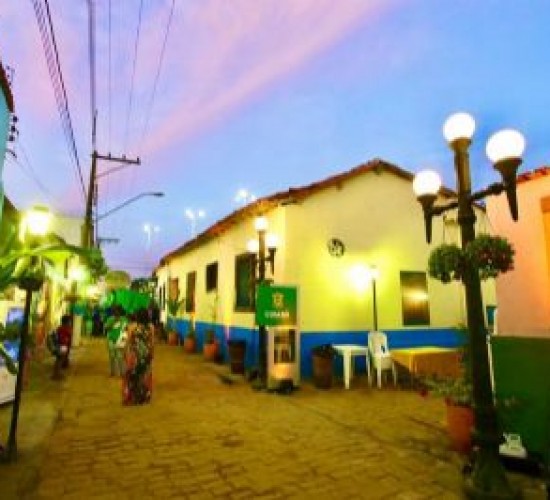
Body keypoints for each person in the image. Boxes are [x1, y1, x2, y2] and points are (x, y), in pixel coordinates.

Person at [122, 307, 153, 405]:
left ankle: (133, 397)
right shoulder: (151, 327)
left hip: (135, 354)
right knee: (144, 375)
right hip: (146, 354)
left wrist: (125, 352)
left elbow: (128, 341)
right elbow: (152, 343)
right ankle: (144, 397)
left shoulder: (133, 327)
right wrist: (152, 354)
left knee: (133, 375)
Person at [104, 306, 127, 377]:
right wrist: (113, 322)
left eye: (117, 312)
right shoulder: (110, 319)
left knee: (120, 357)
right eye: (115, 312)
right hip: (111, 339)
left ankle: (122, 372)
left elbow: (126, 329)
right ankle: (112, 372)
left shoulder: (124, 319)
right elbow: (106, 328)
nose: (116, 313)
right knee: (112, 356)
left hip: (120, 341)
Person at [52, 314, 72, 379]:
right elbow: (63, 338)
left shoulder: (62, 328)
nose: (70, 323)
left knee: (60, 359)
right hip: (62, 346)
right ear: (66, 322)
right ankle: (56, 374)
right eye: (69, 321)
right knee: (60, 359)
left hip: (63, 345)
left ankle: (58, 373)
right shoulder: (63, 328)